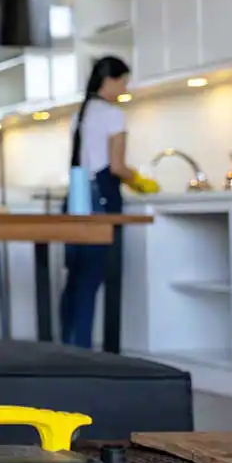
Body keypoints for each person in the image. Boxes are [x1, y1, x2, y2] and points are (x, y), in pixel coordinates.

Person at [59, 55, 159, 348]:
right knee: (92, 277)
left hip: (76, 196)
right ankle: (87, 355)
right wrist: (141, 181)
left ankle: (67, 349)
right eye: (124, 82)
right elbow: (116, 166)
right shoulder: (114, 114)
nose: (124, 89)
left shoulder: (80, 114)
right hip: (100, 198)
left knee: (75, 278)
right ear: (110, 80)